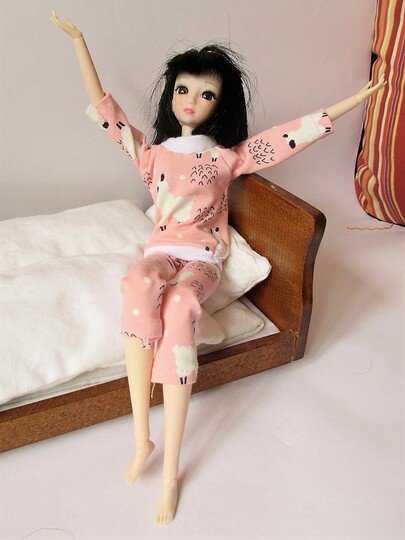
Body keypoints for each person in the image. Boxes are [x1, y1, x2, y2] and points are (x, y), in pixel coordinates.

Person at [50, 9, 386, 525]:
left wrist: (355, 101)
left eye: (206, 94)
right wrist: (79, 42)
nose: (191, 101)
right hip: (162, 250)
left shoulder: (227, 158)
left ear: (219, 104)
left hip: (203, 258)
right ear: (171, 94)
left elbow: (288, 137)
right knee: (138, 283)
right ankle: (141, 439)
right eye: (183, 90)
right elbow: (106, 112)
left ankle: (170, 473)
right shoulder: (152, 155)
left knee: (181, 304)